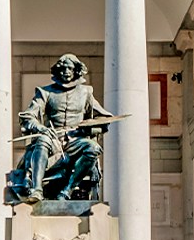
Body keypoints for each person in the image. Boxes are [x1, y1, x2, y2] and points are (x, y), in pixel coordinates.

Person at [8, 54, 115, 203]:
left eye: (69, 68)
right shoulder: (45, 92)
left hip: (76, 141)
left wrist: (90, 127)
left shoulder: (86, 93)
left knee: (94, 148)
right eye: (63, 68)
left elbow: (105, 119)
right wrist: (40, 128)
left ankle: (67, 190)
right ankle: (37, 190)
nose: (66, 71)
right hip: (53, 139)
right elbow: (27, 116)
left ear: (76, 70)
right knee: (42, 140)